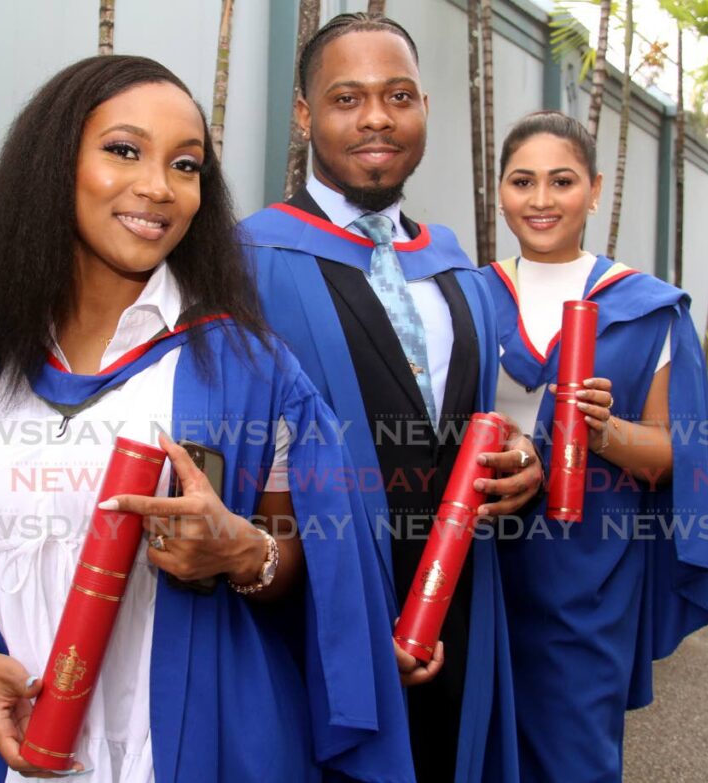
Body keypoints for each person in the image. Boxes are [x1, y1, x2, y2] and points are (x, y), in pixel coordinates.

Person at [0, 56, 415, 783]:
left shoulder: (248, 369)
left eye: (186, 165)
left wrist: (241, 551)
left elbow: (302, 556)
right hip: (13, 747)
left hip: (200, 743)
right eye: (123, 150)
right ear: (55, 164)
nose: (158, 187)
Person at [240, 13, 542, 783]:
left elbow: (482, 418)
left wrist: (523, 456)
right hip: (312, 626)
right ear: (306, 115)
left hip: (456, 607)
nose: (377, 117)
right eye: (347, 98)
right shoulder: (246, 264)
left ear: (423, 109)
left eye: (398, 94)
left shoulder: (455, 272)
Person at [480, 111, 708, 782]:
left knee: (572, 754)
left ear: (594, 188)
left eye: (562, 181)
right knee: (475, 746)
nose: (541, 200)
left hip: (585, 573)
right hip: (478, 562)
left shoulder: (647, 307)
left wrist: (601, 429)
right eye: (522, 181)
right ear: (499, 189)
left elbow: (676, 452)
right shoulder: (469, 295)